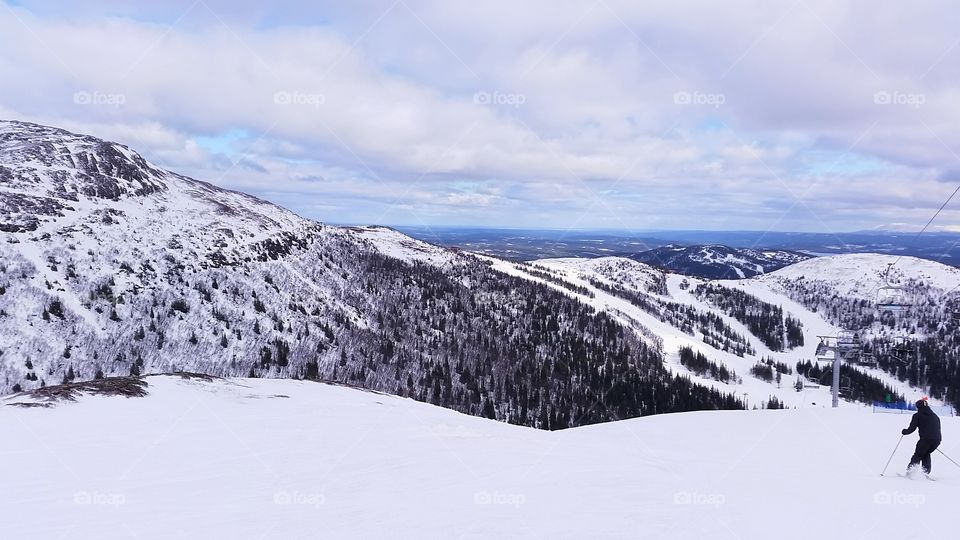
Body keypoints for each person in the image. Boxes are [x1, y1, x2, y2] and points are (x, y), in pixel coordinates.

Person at [902, 397, 942, 477]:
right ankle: (925, 472)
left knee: (918, 454)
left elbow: (912, 428)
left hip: (926, 440)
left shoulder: (917, 415)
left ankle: (910, 472)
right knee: (926, 453)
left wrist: (905, 431)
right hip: (937, 440)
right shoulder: (935, 416)